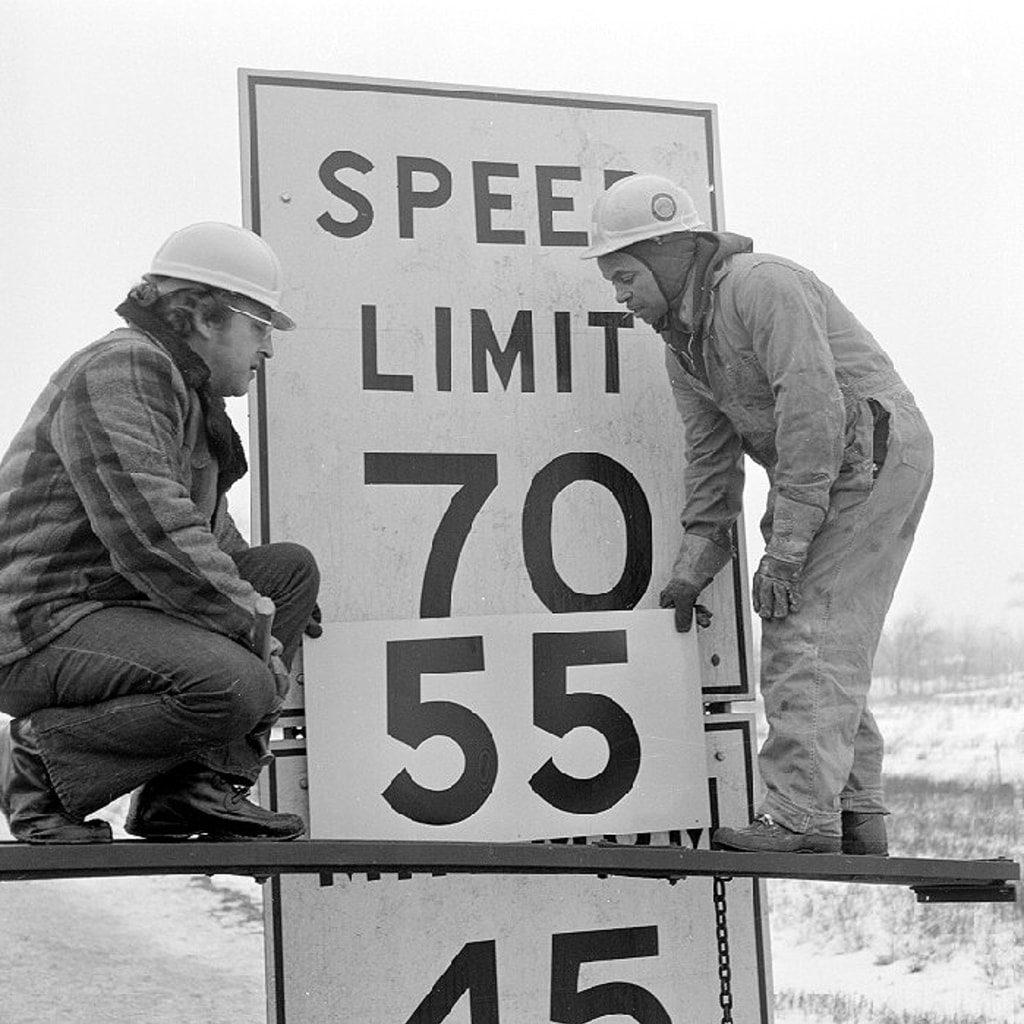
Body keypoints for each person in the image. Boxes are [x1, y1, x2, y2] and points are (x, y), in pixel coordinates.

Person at [584, 175, 932, 855]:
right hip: (831, 469)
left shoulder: (760, 287)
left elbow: (812, 408)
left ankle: (801, 816)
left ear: (667, 253)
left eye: (625, 276)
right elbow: (710, 463)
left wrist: (788, 545)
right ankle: (855, 813)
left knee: (805, 622)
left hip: (868, 453)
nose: (621, 297)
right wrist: (692, 568)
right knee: (824, 627)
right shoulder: (684, 349)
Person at [0, 222, 321, 844]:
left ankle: (189, 792)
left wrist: (268, 602)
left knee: (287, 572)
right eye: (259, 326)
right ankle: (44, 770)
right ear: (203, 316)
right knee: (235, 682)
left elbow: (208, 536)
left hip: (109, 609)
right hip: (39, 625)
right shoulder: (125, 367)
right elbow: (151, 533)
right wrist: (249, 620)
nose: (268, 350)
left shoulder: (186, 395)